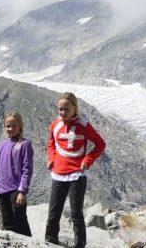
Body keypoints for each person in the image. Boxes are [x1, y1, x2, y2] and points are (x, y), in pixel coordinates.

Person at [45, 92, 106, 248]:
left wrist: (87, 160)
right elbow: (51, 145)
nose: (63, 113)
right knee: (53, 214)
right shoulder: (54, 125)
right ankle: (49, 242)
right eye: (60, 109)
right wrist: (51, 158)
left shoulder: (84, 125)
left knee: (76, 215)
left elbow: (100, 144)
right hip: (58, 174)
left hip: (76, 175)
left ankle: (80, 245)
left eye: (66, 109)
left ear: (74, 108)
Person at [0, 112, 34, 237]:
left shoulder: (25, 144)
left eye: (13, 126)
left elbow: (27, 169)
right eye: (8, 126)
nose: (10, 129)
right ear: (4, 127)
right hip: (2, 191)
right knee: (8, 224)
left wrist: (22, 191)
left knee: (20, 222)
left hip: (16, 191)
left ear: (20, 126)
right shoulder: (3, 145)